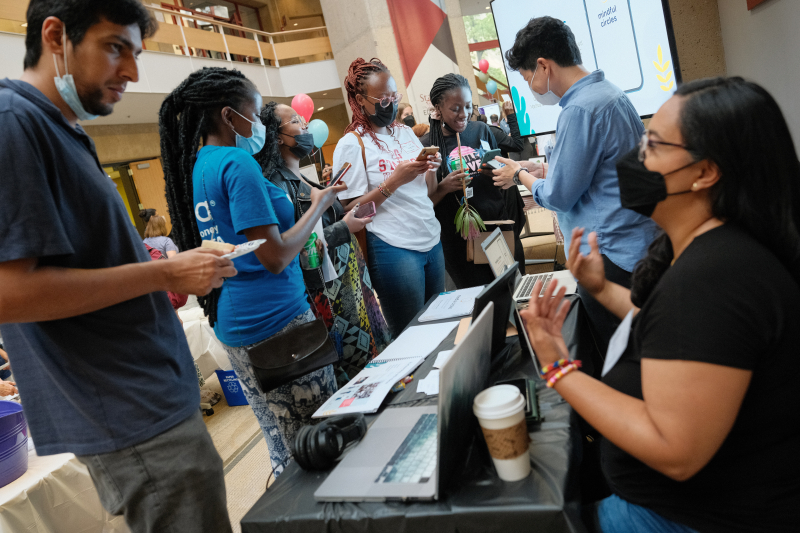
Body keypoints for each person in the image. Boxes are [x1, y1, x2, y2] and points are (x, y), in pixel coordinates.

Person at [521, 77, 800, 533]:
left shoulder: (715, 276)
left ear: (705, 172)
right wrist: (601, 287)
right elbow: (694, 341)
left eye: (652, 143)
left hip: (684, 519)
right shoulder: (713, 251)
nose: (635, 157)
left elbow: (676, 451)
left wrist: (557, 369)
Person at [0, 2, 237, 531]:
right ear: (56, 36)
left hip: (148, 392)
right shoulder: (13, 124)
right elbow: (10, 292)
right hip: (127, 408)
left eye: (134, 53)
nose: (130, 72)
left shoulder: (57, 127)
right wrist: (165, 274)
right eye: (114, 48)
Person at [160, 67, 344, 478]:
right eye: (256, 113)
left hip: (236, 321)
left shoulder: (200, 166)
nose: (260, 124)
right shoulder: (237, 163)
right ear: (229, 116)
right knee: (319, 443)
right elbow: (275, 257)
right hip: (277, 322)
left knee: (282, 443)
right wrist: (317, 204)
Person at [492, 16, 658, 354]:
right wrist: (537, 167)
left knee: (621, 356)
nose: (531, 88)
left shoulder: (580, 109)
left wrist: (518, 175)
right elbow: (596, 171)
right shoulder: (608, 94)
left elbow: (560, 196)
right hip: (633, 245)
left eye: (527, 79)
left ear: (543, 66)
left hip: (608, 255)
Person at [257, 101, 391, 385]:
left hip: (348, 285)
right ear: (277, 136)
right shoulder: (277, 186)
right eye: (294, 121)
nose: (304, 125)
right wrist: (345, 227)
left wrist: (348, 216)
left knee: (376, 364)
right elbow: (298, 248)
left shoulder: (301, 176)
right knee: (359, 378)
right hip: (329, 298)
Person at [333, 57, 444, 337]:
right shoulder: (351, 143)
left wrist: (429, 169)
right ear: (360, 100)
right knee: (411, 333)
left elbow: (426, 191)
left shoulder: (405, 133)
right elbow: (350, 209)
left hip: (430, 237)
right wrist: (393, 182)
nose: (390, 104)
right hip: (393, 246)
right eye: (382, 99)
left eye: (394, 96)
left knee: (438, 325)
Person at [421, 73, 526, 289]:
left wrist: (493, 172)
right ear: (438, 108)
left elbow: (499, 178)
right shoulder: (427, 144)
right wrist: (444, 187)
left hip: (497, 226)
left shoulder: (480, 129)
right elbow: (424, 203)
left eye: (468, 106)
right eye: (455, 108)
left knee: (516, 289)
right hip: (459, 240)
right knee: (482, 299)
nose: (464, 114)